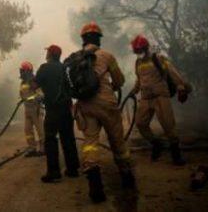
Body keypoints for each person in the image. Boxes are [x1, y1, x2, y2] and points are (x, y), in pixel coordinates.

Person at [71, 22, 135, 203]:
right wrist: (112, 86)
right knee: (117, 141)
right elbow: (119, 80)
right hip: (106, 104)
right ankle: (127, 177)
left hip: (85, 106)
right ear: (98, 39)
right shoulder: (107, 56)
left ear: (83, 40)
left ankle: (95, 188)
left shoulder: (77, 58)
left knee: (90, 143)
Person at [130, 35, 190, 166]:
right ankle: (156, 144)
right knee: (140, 123)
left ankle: (176, 155)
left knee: (168, 125)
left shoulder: (158, 58)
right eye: (136, 51)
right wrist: (134, 91)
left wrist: (180, 86)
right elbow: (139, 79)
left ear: (146, 48)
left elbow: (172, 72)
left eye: (140, 50)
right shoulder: (138, 63)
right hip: (146, 98)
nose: (138, 53)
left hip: (160, 96)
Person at [32, 44, 80, 183]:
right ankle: (72, 169)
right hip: (66, 108)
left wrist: (31, 78)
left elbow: (34, 86)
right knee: (68, 138)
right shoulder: (65, 68)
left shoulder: (44, 68)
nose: (46, 54)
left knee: (51, 139)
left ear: (50, 54)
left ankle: (54, 172)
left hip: (53, 109)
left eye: (47, 52)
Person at [19, 61, 45, 157]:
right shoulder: (23, 82)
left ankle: (43, 148)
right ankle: (32, 148)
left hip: (36, 109)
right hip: (28, 110)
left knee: (40, 130)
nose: (21, 72)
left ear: (27, 71)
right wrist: (23, 99)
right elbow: (22, 94)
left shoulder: (34, 81)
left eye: (22, 70)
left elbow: (41, 94)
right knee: (28, 130)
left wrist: (34, 98)